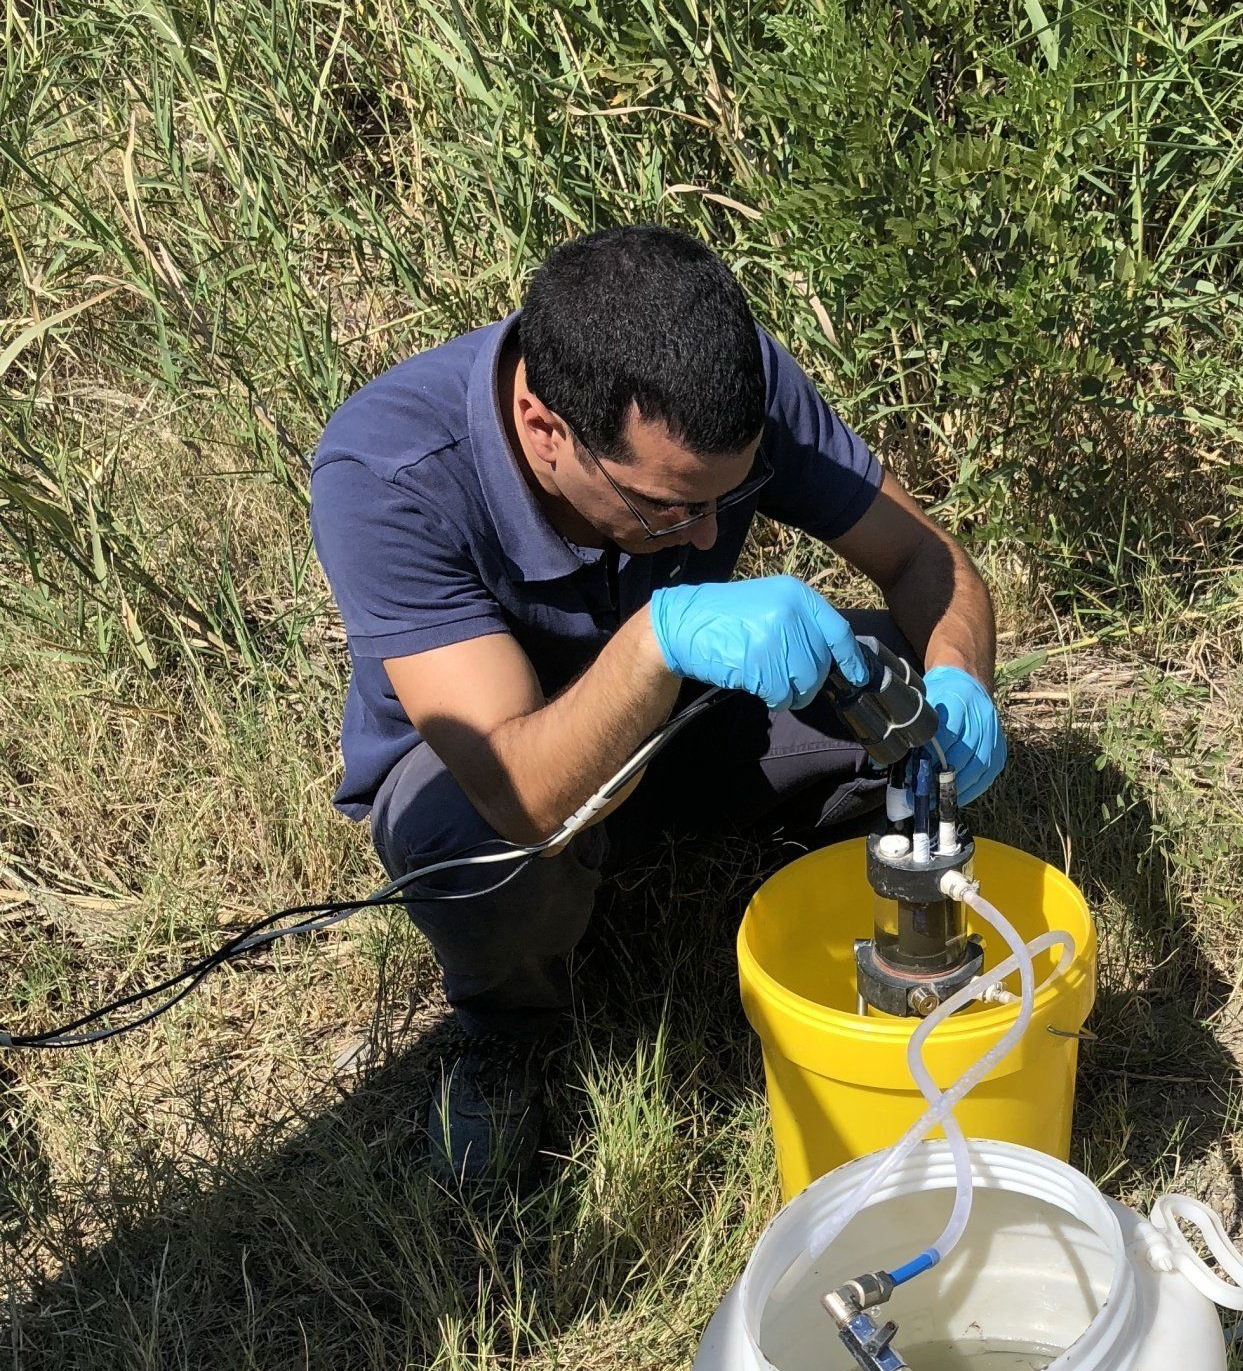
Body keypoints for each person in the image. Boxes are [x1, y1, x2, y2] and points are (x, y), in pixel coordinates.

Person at [309, 224, 1006, 1186]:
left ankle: (815, 893)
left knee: (888, 674)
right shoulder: (388, 472)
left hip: (688, 725)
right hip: (513, 782)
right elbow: (520, 792)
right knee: (457, 833)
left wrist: (958, 677)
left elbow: (928, 559)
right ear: (544, 428)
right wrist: (653, 640)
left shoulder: (728, 389)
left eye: (727, 497)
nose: (712, 531)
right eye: (668, 509)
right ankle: (508, 1028)